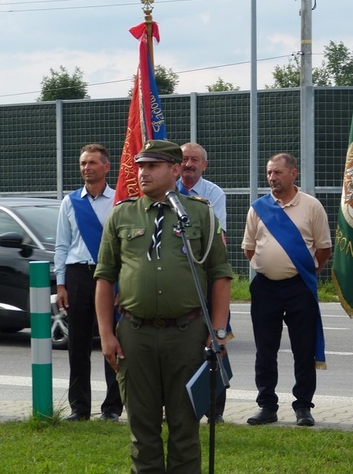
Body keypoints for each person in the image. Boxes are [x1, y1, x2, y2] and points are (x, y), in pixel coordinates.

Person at [94, 140, 232, 473]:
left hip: (187, 334)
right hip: (135, 335)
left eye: (152, 166)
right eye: (141, 166)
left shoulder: (199, 213)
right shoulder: (122, 214)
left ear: (174, 170)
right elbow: (104, 277)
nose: (143, 173)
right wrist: (106, 335)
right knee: (142, 427)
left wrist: (217, 331)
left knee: (185, 427)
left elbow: (220, 276)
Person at [242, 153, 332, 427]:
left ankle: (303, 406)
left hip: (299, 287)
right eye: (269, 172)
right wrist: (269, 266)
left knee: (303, 349)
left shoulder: (311, 206)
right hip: (265, 288)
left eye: (278, 172)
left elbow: (324, 248)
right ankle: (266, 405)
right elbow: (248, 248)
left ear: (293, 174)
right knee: (265, 350)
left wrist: (307, 272)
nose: (272, 178)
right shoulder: (258, 208)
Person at [54, 144, 122, 422]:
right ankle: (79, 407)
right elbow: (61, 245)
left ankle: (112, 408)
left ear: (107, 167)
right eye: (83, 163)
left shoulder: (120, 200)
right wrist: (61, 284)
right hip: (78, 276)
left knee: (114, 342)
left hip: (111, 277)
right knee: (78, 345)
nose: (86, 168)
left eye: (92, 163)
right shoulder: (70, 202)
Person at [179, 141, 230, 424]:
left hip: (206, 275)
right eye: (184, 159)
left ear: (204, 165)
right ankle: (176, 406)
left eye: (194, 160)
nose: (188, 164)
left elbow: (214, 234)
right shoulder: (168, 192)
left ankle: (215, 411)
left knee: (215, 342)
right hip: (177, 277)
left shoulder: (213, 194)